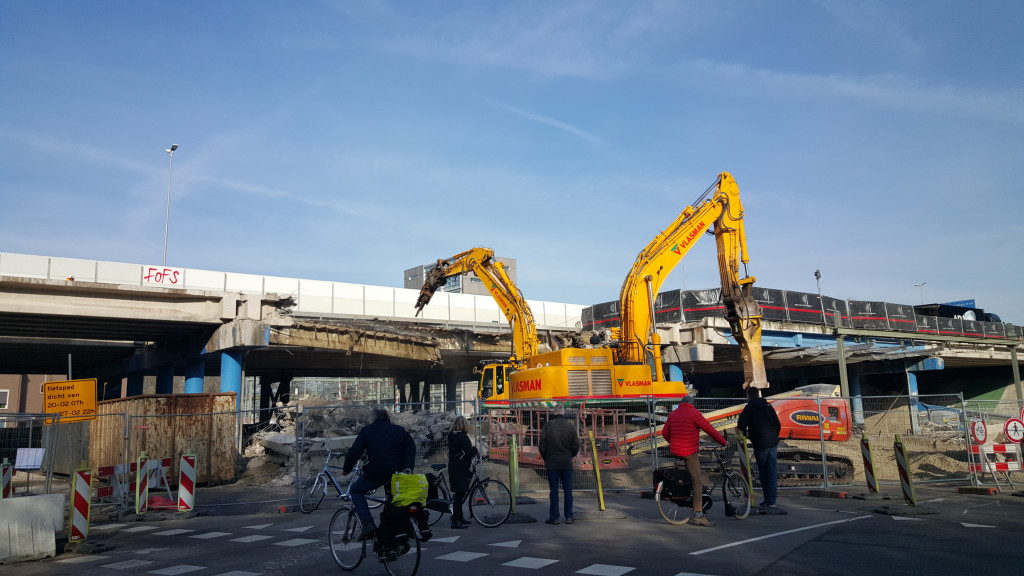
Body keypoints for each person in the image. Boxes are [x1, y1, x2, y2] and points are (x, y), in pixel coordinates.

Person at [343, 407, 417, 540]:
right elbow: (411, 447)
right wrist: (408, 468)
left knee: (355, 490)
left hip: (377, 472)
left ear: (373, 418)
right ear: (388, 417)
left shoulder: (367, 430)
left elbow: (355, 451)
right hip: (397, 474)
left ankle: (367, 523)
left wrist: (346, 469)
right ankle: (394, 530)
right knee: (392, 502)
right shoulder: (399, 430)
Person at [661, 394, 727, 526]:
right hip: (689, 452)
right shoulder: (694, 413)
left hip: (676, 450)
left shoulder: (673, 414)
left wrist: (674, 443)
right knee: (697, 481)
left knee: (691, 476)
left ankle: (693, 498)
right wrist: (723, 442)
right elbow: (709, 429)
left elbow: (664, 432)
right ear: (692, 404)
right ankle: (698, 514)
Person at [736, 386, 786, 515]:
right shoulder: (768, 406)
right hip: (773, 442)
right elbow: (778, 424)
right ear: (758, 394)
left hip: (760, 443)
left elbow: (741, 424)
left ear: (748, 395)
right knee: (772, 472)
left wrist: (747, 435)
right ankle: (772, 501)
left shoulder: (750, 408)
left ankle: (767, 499)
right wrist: (774, 435)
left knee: (763, 472)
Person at [539, 403, 580, 525]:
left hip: (552, 463)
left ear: (553, 412)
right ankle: (569, 517)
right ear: (563, 412)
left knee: (554, 491)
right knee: (568, 490)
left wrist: (546, 458)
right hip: (566, 463)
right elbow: (576, 445)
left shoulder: (547, 426)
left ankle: (554, 517)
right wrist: (570, 455)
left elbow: (542, 446)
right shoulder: (570, 426)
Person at [447, 415, 478, 529]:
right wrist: (475, 449)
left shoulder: (451, 436)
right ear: (464, 425)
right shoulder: (463, 437)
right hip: (461, 468)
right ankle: (455, 521)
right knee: (459, 495)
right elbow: (468, 451)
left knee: (458, 493)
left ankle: (460, 517)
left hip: (453, 466)